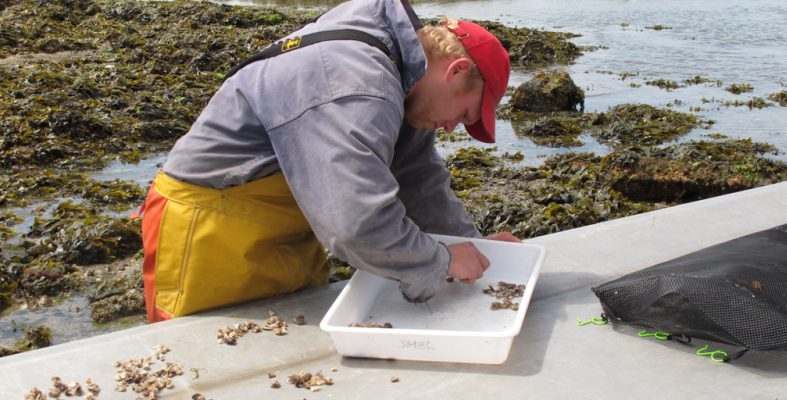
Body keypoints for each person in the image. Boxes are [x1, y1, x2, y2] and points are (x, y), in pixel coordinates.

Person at [139, 0, 521, 323]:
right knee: (203, 372)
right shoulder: (358, 81)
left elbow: (417, 179)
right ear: (457, 71)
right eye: (465, 114)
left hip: (282, 231)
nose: (453, 128)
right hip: (209, 230)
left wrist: (472, 247)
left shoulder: (403, 77)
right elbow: (355, 221)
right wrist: (439, 261)